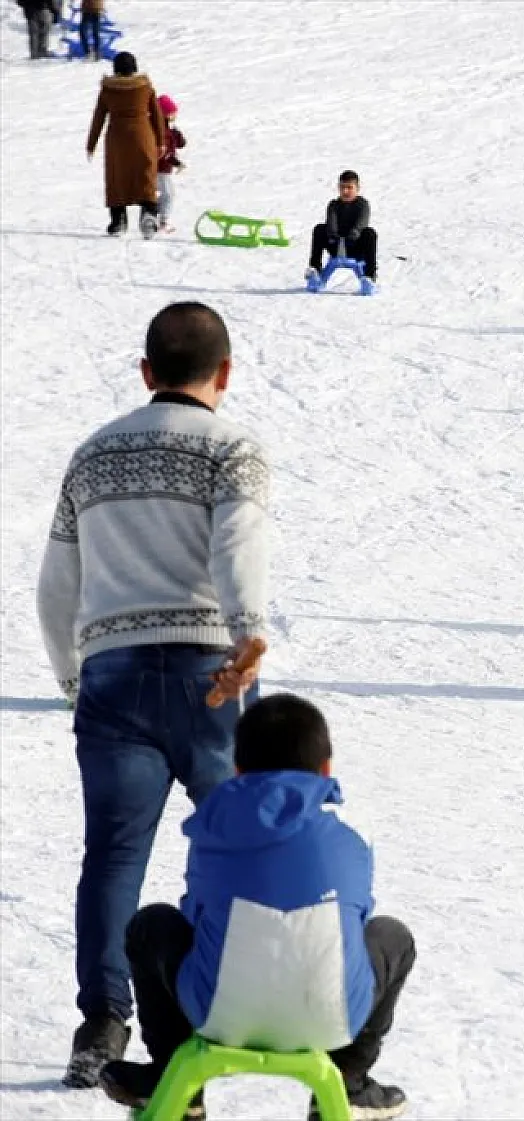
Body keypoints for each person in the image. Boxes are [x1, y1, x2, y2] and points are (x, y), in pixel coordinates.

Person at [37, 302, 271, 1088]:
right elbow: (237, 544)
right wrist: (246, 637)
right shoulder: (232, 448)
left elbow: (55, 586)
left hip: (112, 672)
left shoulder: (92, 454)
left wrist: (73, 675)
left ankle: (102, 1020)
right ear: (226, 373)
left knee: (112, 854)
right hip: (212, 674)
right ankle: (236, 1007)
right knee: (238, 839)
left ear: (146, 373)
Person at [99, 695, 414, 1121]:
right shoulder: (352, 833)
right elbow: (354, 923)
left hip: (218, 1012)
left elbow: (196, 916)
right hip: (332, 1015)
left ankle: (171, 1077)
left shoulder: (212, 828)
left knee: (153, 925)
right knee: (392, 936)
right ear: (325, 769)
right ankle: (350, 1080)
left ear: (239, 769)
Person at [85, 50, 166, 238]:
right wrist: (161, 141)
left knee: (117, 177)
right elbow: (157, 115)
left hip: (117, 139)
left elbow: (98, 117)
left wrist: (91, 143)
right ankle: (148, 215)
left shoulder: (108, 89)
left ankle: (118, 220)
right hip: (143, 136)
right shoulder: (145, 87)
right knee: (145, 174)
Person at [307, 170, 378, 285]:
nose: (345, 191)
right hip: (335, 244)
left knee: (370, 233)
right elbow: (331, 222)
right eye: (342, 187)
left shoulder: (363, 204)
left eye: (349, 187)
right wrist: (333, 235)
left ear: (357, 188)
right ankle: (315, 270)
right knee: (319, 229)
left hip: (356, 246)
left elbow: (362, 222)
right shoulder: (334, 205)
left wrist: (354, 234)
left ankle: (370, 276)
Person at [154, 94, 186, 234]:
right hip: (160, 169)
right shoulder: (161, 132)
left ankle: (154, 215)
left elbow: (180, 144)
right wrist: (177, 163)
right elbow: (164, 154)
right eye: (172, 113)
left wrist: (177, 134)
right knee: (168, 195)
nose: (175, 115)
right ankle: (162, 222)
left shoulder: (168, 130)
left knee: (166, 194)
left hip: (163, 169)